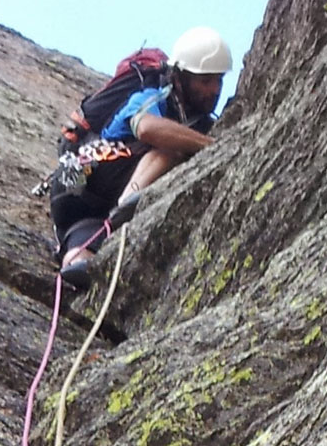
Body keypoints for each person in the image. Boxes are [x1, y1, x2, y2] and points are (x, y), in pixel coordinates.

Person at [46, 26, 231, 291]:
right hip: (86, 175)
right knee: (172, 148)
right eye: (205, 81)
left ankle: (76, 258)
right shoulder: (152, 93)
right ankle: (129, 202)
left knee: (82, 258)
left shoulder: (191, 115)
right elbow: (146, 128)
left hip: (79, 207)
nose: (214, 90)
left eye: (219, 81)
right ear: (179, 77)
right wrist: (211, 146)